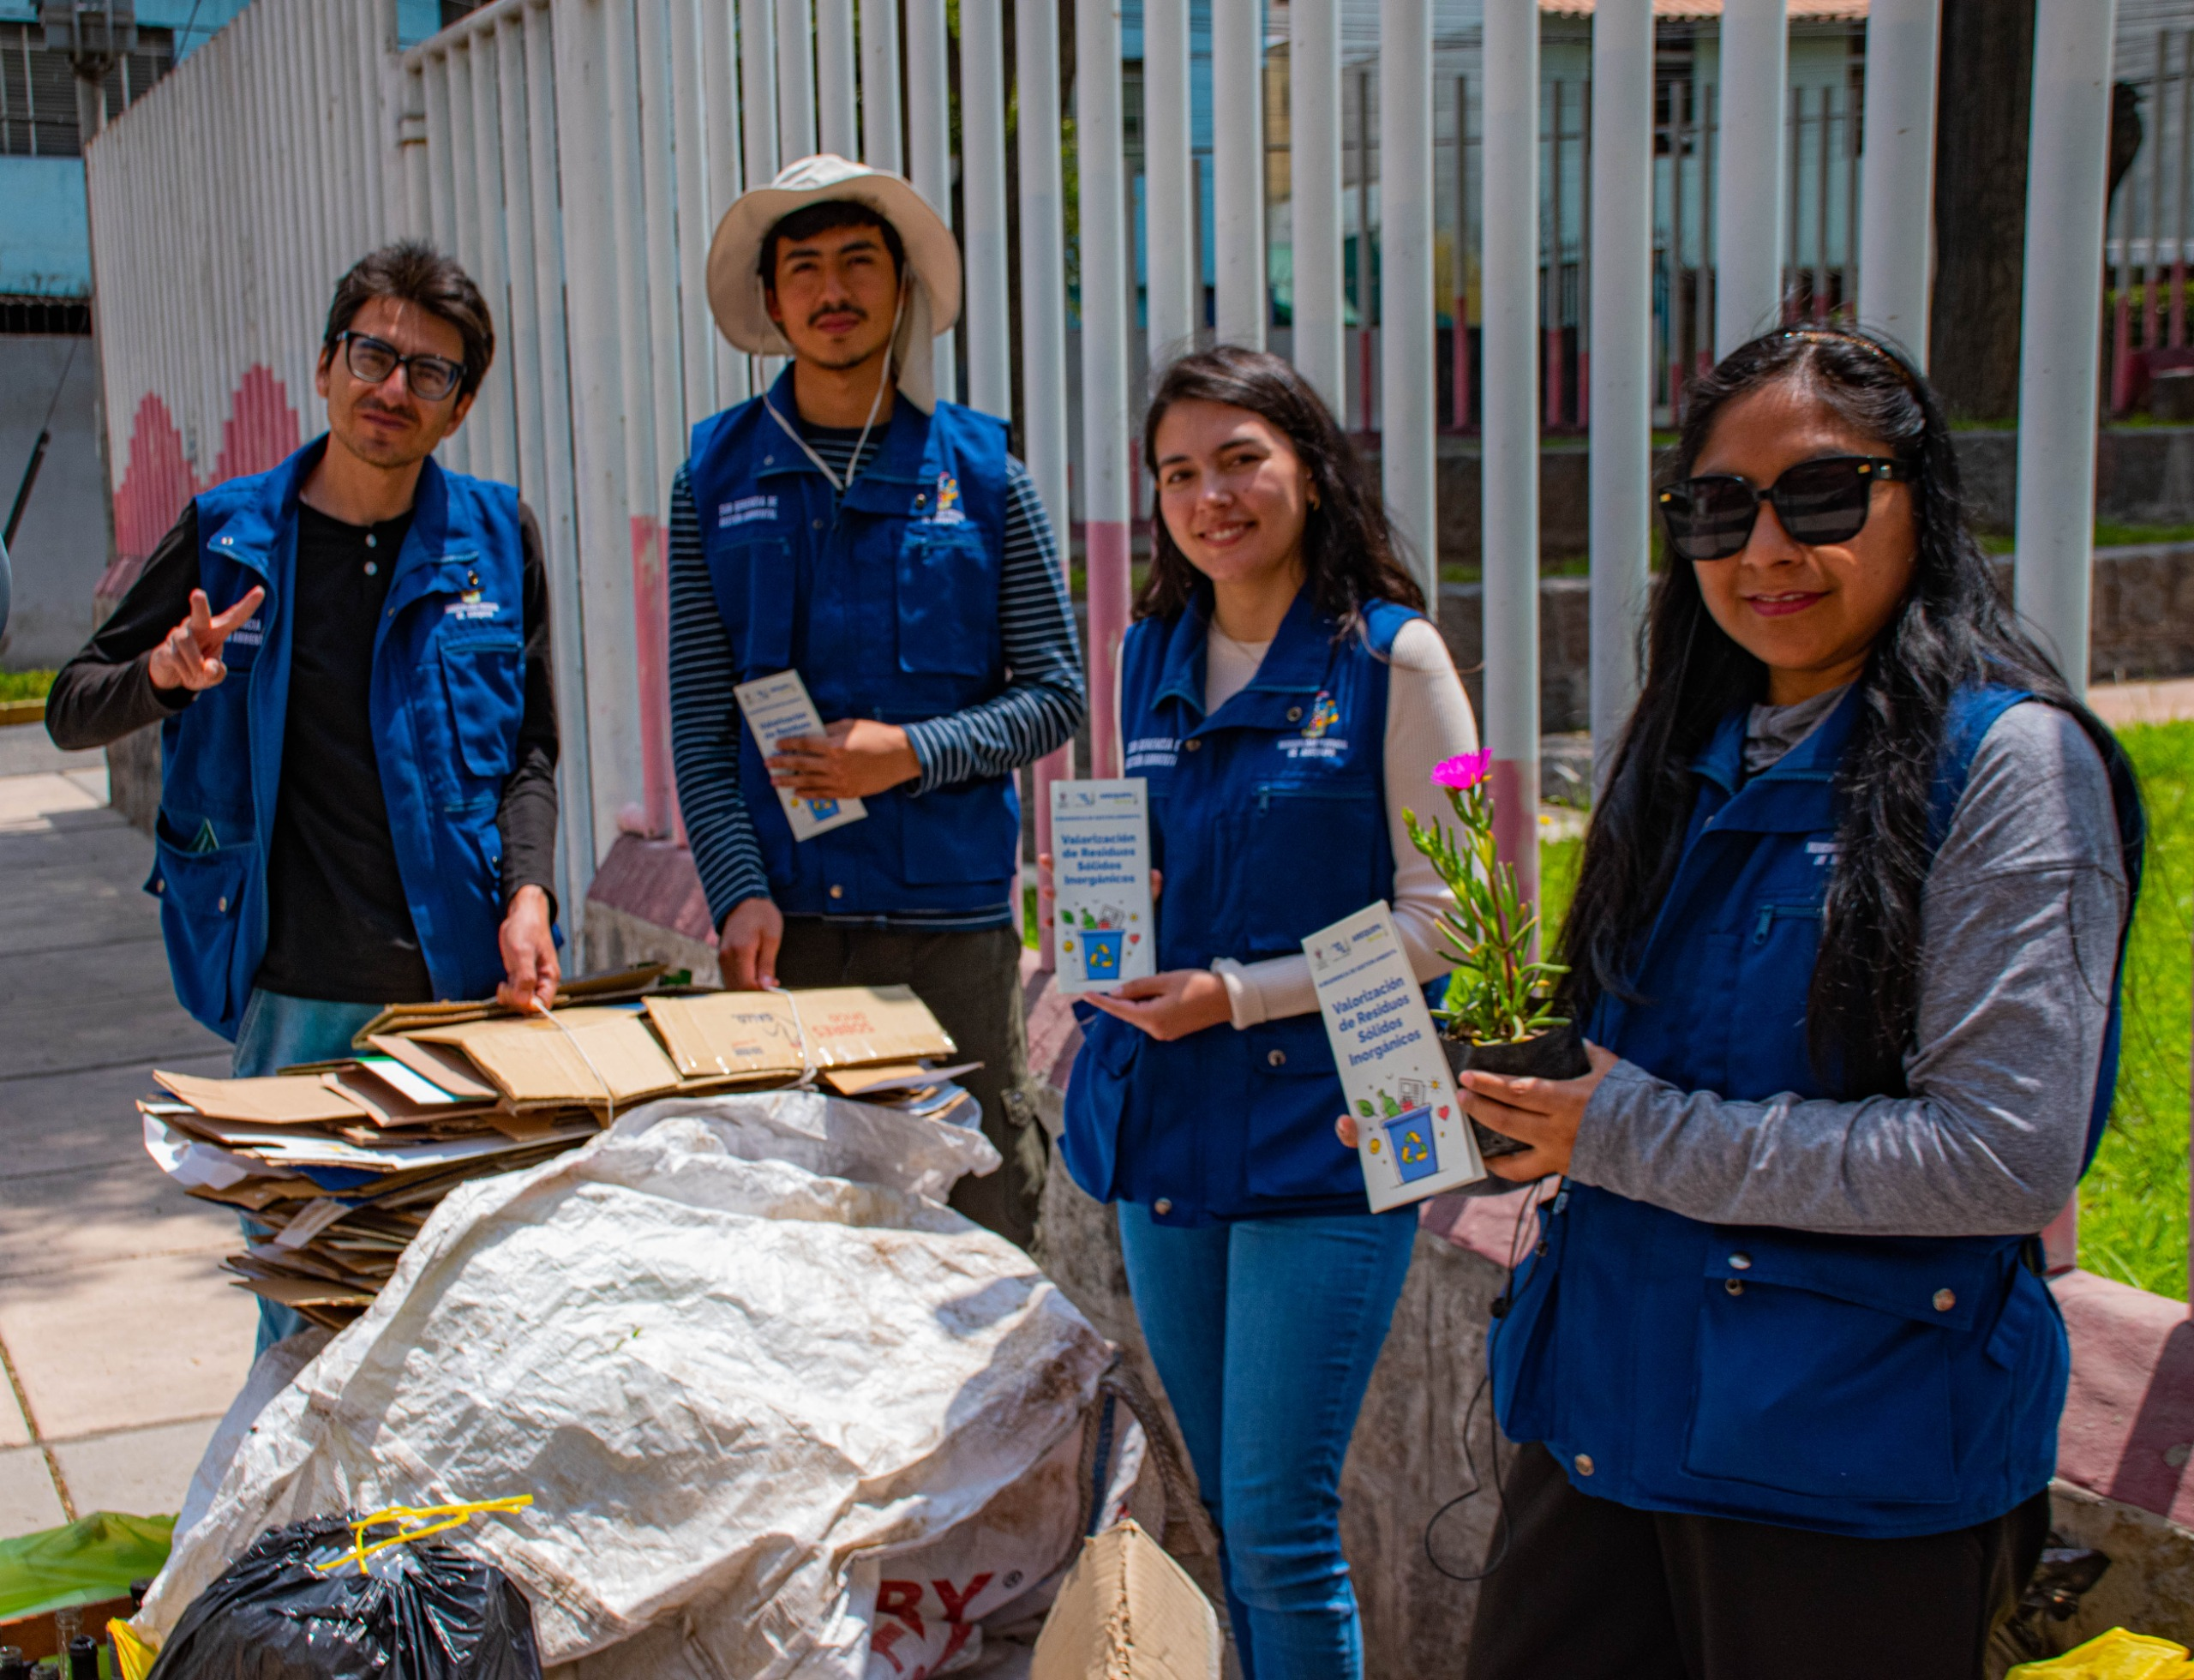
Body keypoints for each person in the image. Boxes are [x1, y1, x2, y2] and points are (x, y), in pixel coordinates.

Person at [1454, 327, 2143, 1680]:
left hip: (1851, 1468)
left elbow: (2001, 1157)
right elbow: (1641, 1061)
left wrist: (1622, 1131)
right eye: (1717, 509)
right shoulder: (1678, 755)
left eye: (1821, 498)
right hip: (1605, 1426)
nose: (1764, 550)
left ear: (1919, 503)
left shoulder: (2009, 769)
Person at [49, 243, 561, 1352]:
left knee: (461, 1328)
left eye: (429, 373)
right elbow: (71, 704)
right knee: (306, 1333)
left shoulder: (497, 539)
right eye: (373, 353)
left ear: (460, 405)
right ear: (326, 365)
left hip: (460, 1001)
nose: (393, 388)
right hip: (295, 1008)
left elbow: (530, 755)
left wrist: (530, 898)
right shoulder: (231, 541)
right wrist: (164, 676)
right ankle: (305, 1535)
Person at [1058, 345, 1481, 1680]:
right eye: (1178, 472)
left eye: (1241, 458)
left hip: (1337, 1123)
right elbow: (1154, 850)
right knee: (1230, 1518)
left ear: (1311, 466)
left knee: (1281, 1520)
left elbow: (1451, 919)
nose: (1210, 494)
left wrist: (1236, 992)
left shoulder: (1394, 659)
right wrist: (1108, 920)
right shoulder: (1150, 651)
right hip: (1173, 1122)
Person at [669, 155, 1083, 1251]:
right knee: (812, 1239)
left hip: (954, 942)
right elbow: (702, 720)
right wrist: (736, 889)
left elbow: (1055, 694)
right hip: (791, 931)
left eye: (860, 261)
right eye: (802, 267)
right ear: (771, 302)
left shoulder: (987, 474)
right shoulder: (712, 477)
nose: (831, 288)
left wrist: (908, 752)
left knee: (978, 1232)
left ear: (901, 289)